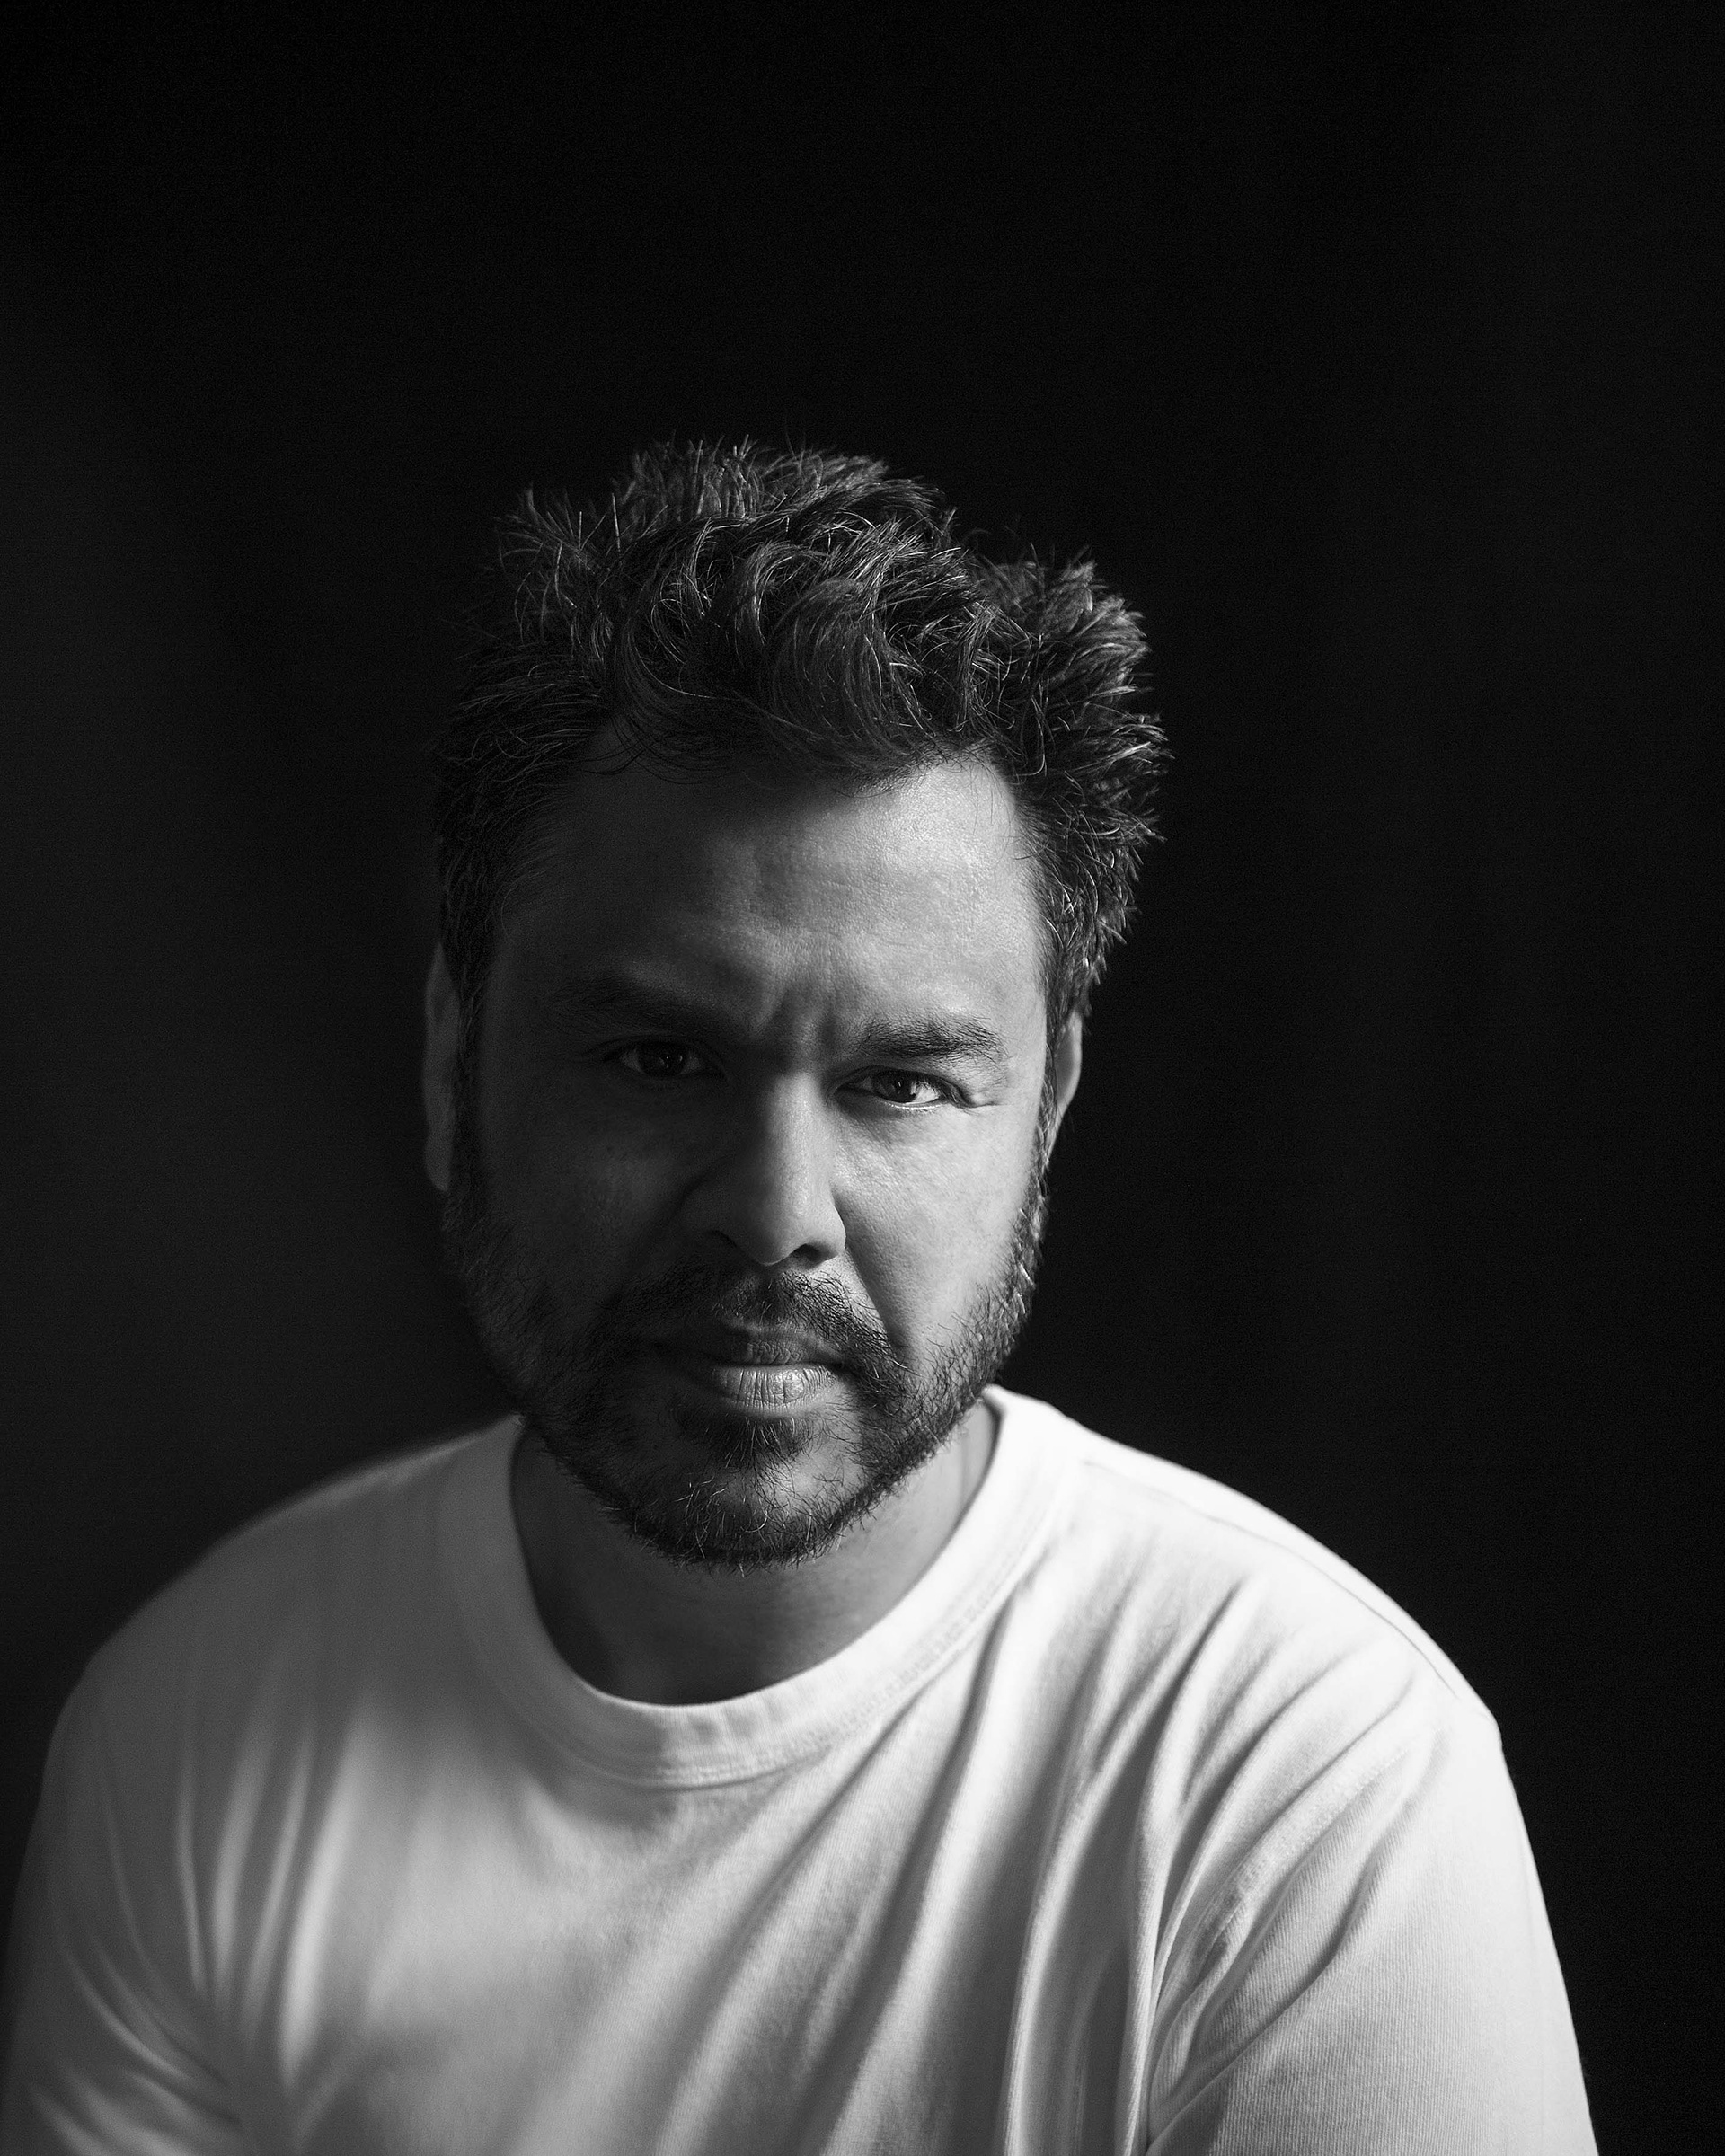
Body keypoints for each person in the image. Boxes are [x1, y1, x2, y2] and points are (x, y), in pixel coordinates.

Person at [0, 443, 1595, 2153]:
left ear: (1047, 1112)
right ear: (454, 1059)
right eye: (658, 1058)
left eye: (902, 1084)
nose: (776, 1219)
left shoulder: (1304, 1785)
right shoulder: (193, 1738)